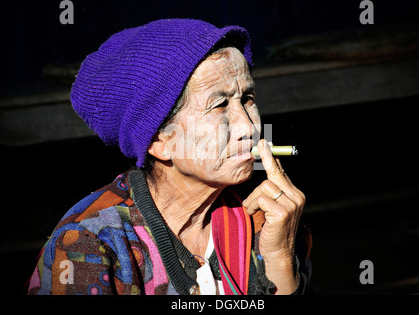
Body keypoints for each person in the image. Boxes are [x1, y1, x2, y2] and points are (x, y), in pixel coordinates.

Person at [27, 19, 312, 295]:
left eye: (247, 98)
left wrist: (280, 260)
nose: (248, 126)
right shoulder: (89, 244)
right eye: (220, 104)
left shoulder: (269, 219)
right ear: (159, 141)